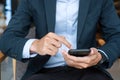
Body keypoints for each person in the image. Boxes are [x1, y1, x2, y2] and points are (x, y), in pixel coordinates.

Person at [0, 0, 120, 80]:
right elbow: (6, 39)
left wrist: (100, 56)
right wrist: (36, 45)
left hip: (88, 70)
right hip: (44, 71)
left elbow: (117, 35)